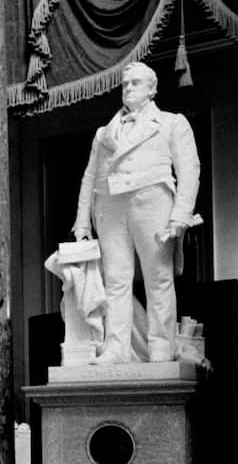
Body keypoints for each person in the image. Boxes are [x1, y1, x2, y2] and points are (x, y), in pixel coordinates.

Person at [73, 61, 201, 365]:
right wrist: (82, 222)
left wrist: (181, 214)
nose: (129, 88)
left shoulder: (171, 123)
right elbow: (90, 177)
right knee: (115, 280)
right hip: (110, 207)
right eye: (125, 84)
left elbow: (189, 169)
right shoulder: (104, 133)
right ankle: (116, 347)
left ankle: (161, 346)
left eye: (136, 83)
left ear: (152, 89)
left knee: (159, 278)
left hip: (152, 202)